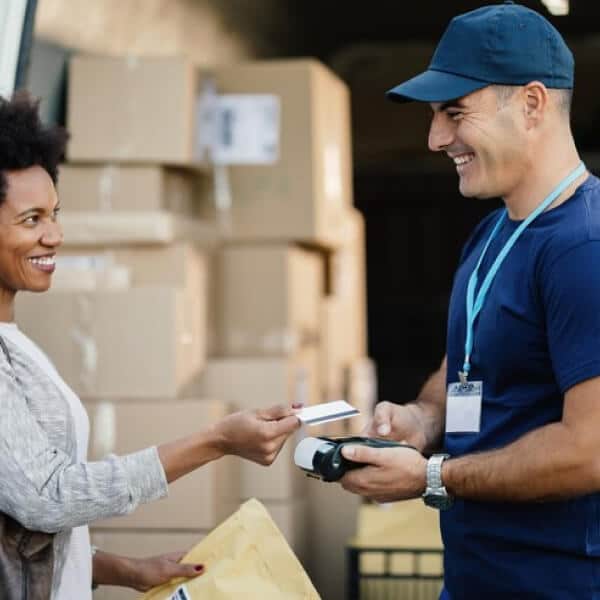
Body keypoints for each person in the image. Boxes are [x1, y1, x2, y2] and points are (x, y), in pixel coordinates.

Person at [337, 3, 600, 598]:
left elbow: (589, 450)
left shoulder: (585, 247)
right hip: (477, 576)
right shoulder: (492, 233)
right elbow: (467, 367)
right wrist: (423, 420)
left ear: (532, 105)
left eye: (455, 113)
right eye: (435, 116)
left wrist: (432, 475)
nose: (435, 139)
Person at [0, 92, 302, 599]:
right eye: (32, 220)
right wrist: (216, 441)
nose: (54, 235)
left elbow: (21, 533)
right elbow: (48, 498)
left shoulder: (18, 345)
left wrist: (126, 570)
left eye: (55, 214)